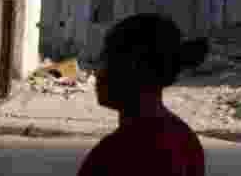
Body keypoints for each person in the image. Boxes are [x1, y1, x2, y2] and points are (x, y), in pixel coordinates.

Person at [78, 13, 210, 176]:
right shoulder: (184, 138)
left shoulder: (120, 151)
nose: (97, 73)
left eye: (105, 61)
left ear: (132, 68)